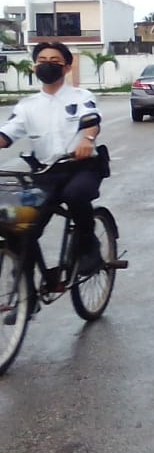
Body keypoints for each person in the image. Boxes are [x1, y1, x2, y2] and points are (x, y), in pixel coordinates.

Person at [0, 41, 105, 277]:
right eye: (42, 62)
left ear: (67, 67)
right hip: (45, 174)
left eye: (55, 62)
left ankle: (89, 246)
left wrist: (87, 139)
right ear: (34, 67)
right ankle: (26, 293)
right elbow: (6, 135)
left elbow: (91, 121)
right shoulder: (28, 106)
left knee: (75, 195)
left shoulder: (81, 96)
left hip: (82, 168)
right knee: (18, 223)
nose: (48, 66)